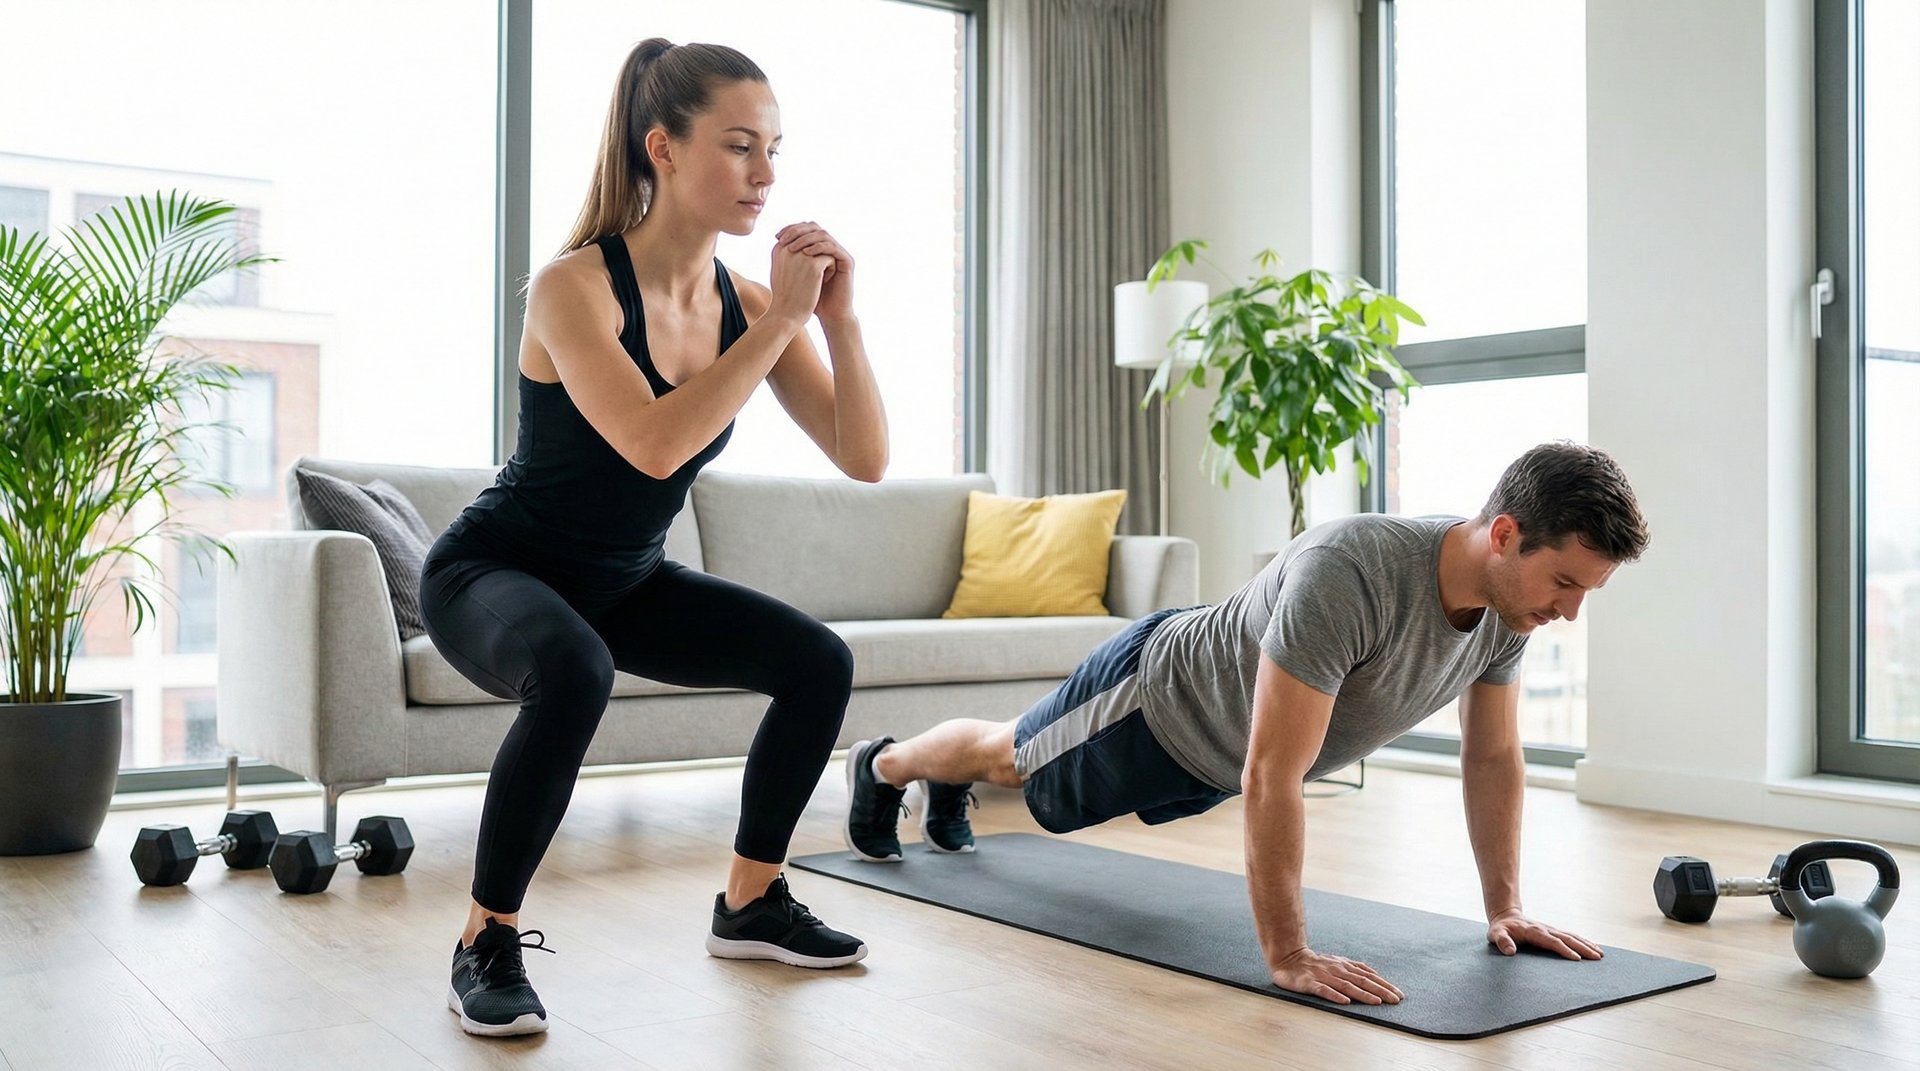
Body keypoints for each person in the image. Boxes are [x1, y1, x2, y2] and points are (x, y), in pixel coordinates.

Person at [420, 38, 888, 1037]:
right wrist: (777, 329)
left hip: (623, 580)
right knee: (573, 667)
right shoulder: (573, 287)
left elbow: (865, 460)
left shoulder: (750, 304)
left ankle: (752, 899)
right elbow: (650, 444)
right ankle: (483, 942)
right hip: (493, 572)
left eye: (774, 150)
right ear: (663, 149)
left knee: (817, 663)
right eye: (738, 147)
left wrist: (837, 325)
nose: (765, 176)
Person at [845, 442, 1648, 1008]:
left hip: (1215, 754)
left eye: (1587, 593)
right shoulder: (1354, 573)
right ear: (1505, 533)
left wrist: (1504, 906)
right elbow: (1274, 773)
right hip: (1155, 702)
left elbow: (1493, 755)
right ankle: (885, 766)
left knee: (1008, 757)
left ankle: (940, 783)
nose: (1569, 612)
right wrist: (1289, 955)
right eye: (1565, 582)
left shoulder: (1510, 610)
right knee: (1010, 756)